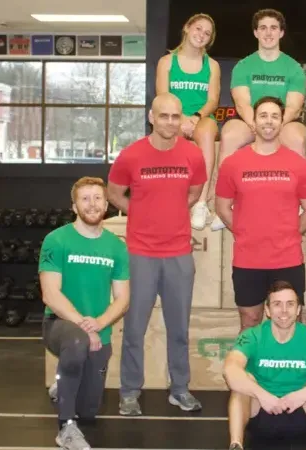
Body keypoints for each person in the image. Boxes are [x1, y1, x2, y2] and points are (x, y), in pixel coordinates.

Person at [107, 93, 207, 416]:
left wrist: (174, 209)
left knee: (179, 329)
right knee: (134, 328)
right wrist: (139, 212)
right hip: (141, 254)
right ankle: (129, 391)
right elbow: (113, 193)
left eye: (176, 116)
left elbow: (195, 191)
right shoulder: (131, 155)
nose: (170, 122)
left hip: (179, 253)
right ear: (151, 117)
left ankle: (179, 389)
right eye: (164, 116)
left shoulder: (192, 154)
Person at [40, 176, 130, 450]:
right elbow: (50, 294)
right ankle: (66, 429)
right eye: (85, 199)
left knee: (89, 410)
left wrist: (99, 323)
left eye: (97, 198)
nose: (92, 204)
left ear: (106, 204)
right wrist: (83, 325)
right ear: (74, 206)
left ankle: (64, 385)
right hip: (60, 324)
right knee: (77, 342)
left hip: (98, 329)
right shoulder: (56, 240)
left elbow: (123, 299)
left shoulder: (116, 246)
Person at [214, 96, 306, 331]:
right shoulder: (233, 163)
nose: (269, 121)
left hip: (287, 259)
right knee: (250, 322)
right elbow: (222, 207)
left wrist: (289, 234)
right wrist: (245, 232)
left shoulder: (298, 164)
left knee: (290, 324)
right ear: (253, 121)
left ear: (282, 122)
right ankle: (249, 360)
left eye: (274, 116)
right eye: (263, 116)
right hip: (248, 260)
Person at [211, 8, 306, 231]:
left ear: (281, 33)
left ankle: (299, 202)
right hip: (250, 121)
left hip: (283, 121)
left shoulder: (293, 67)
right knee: (229, 134)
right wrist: (256, 125)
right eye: (263, 28)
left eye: (273, 28)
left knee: (297, 138)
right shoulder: (243, 66)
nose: (268, 33)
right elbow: (242, 103)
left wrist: (275, 125)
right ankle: (225, 204)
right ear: (255, 33)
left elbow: (294, 106)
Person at [223, 280, 306, 450]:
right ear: (267, 310)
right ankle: (235, 444)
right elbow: (230, 370)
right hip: (261, 411)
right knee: (242, 382)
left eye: (290, 304)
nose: (284, 310)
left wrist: (302, 394)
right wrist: (262, 395)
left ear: (298, 309)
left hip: (301, 411)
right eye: (277, 304)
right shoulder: (252, 336)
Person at [156, 13, 222, 231]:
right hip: (173, 116)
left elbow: (212, 100)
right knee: (167, 135)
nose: (201, 35)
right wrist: (180, 118)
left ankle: (201, 203)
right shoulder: (166, 62)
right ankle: (170, 200)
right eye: (198, 29)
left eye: (207, 33)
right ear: (187, 28)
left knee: (207, 133)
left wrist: (195, 117)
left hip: (201, 118)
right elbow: (162, 96)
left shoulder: (212, 65)